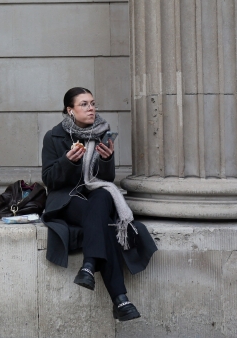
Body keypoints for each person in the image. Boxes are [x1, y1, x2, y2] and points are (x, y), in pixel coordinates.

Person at [41, 87, 156, 322]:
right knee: (105, 225)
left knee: (103, 196)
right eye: (84, 104)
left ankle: (89, 266)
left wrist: (106, 160)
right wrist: (67, 162)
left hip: (95, 198)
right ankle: (120, 298)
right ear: (69, 110)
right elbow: (50, 180)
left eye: (93, 103)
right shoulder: (54, 137)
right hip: (67, 199)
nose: (91, 108)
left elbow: (106, 180)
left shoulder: (103, 133)